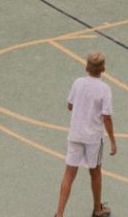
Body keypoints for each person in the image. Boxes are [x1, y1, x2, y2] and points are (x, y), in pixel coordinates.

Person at [52, 51, 116, 217]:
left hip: (76, 134)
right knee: (95, 172)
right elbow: (107, 117)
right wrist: (113, 142)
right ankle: (97, 210)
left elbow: (70, 105)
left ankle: (59, 214)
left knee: (69, 174)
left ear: (87, 67)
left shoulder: (78, 83)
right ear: (103, 69)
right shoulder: (104, 89)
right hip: (93, 137)